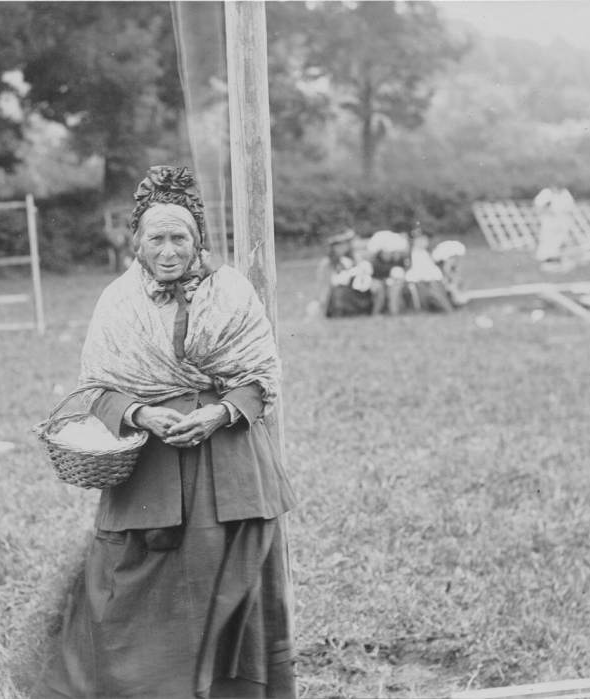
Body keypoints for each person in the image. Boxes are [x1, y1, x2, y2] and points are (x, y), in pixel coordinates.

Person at [32, 166, 297, 699]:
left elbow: (261, 379)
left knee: (232, 593)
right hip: (152, 473)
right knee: (126, 591)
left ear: (198, 240)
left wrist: (220, 413)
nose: (169, 249)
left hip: (231, 469)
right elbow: (97, 390)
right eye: (157, 238)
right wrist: (140, 414)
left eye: (181, 237)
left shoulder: (233, 293)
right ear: (139, 243)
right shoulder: (118, 302)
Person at [313, 228, 376, 317]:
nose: (342, 248)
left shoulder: (354, 258)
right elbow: (323, 285)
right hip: (335, 293)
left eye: (344, 244)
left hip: (354, 290)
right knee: (340, 292)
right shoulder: (327, 263)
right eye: (339, 246)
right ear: (333, 248)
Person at [404, 227, 453, 313]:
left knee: (437, 287)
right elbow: (413, 269)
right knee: (429, 288)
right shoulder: (411, 254)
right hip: (419, 278)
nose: (423, 242)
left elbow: (433, 266)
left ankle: (446, 307)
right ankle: (437, 307)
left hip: (432, 277)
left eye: (424, 240)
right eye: (420, 240)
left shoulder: (428, 253)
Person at [365, 229, 410, 315]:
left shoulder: (397, 259)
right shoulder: (376, 261)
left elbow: (401, 270)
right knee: (379, 289)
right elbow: (376, 273)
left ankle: (394, 310)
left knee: (396, 286)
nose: (389, 254)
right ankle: (376, 312)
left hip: (392, 281)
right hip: (377, 281)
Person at [533, 183, 576, 269]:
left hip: (562, 222)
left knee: (561, 240)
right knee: (548, 240)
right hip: (549, 222)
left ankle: (558, 259)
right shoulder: (546, 193)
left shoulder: (565, 194)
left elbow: (570, 210)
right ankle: (548, 259)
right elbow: (539, 207)